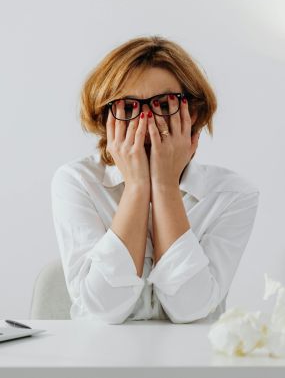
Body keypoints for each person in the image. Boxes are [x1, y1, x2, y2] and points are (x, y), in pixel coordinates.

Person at [51, 35, 260, 324]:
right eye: (128, 107)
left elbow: (190, 308)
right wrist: (137, 187)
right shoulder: (76, 182)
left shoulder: (232, 194)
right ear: (105, 117)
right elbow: (104, 309)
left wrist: (164, 186)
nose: (147, 123)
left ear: (193, 112)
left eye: (164, 104)